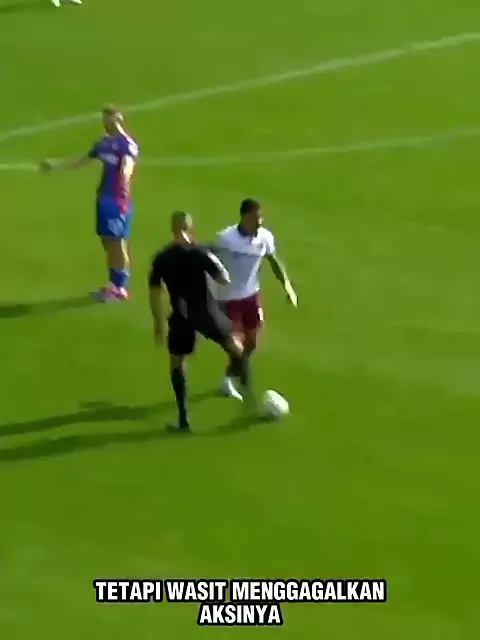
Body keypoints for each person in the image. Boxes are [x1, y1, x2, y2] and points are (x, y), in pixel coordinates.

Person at [148, 211, 252, 431]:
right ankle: (248, 398)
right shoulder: (199, 252)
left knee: (177, 363)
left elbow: (155, 293)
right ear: (190, 227)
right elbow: (224, 279)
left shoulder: (162, 258)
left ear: (173, 228)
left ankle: (183, 419)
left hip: (181, 315)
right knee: (237, 348)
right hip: (206, 312)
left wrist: (158, 322)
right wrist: (210, 257)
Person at [39, 106, 138, 301]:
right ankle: (113, 284)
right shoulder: (103, 143)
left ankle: (121, 288)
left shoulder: (127, 144)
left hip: (117, 199)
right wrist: (55, 165)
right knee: (107, 241)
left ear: (118, 118)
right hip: (103, 198)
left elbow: (128, 166)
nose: (105, 123)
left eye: (108, 118)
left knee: (117, 242)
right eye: (103, 119)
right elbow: (80, 161)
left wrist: (123, 189)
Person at [212, 198, 297, 400]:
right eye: (255, 217)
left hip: (251, 298)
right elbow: (211, 262)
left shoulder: (265, 237)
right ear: (244, 217)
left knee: (252, 343)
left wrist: (287, 286)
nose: (259, 221)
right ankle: (236, 380)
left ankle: (234, 376)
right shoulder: (226, 239)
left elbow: (273, 261)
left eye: (261, 217)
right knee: (236, 345)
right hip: (228, 299)